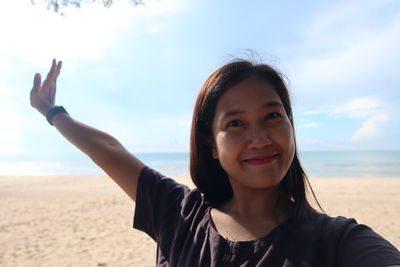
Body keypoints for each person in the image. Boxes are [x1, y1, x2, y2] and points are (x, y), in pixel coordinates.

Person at [30, 59, 400, 266]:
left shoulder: (334, 242)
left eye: (272, 116)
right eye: (235, 123)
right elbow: (108, 150)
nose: (260, 139)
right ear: (211, 143)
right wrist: (51, 112)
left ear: (290, 125)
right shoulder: (178, 214)